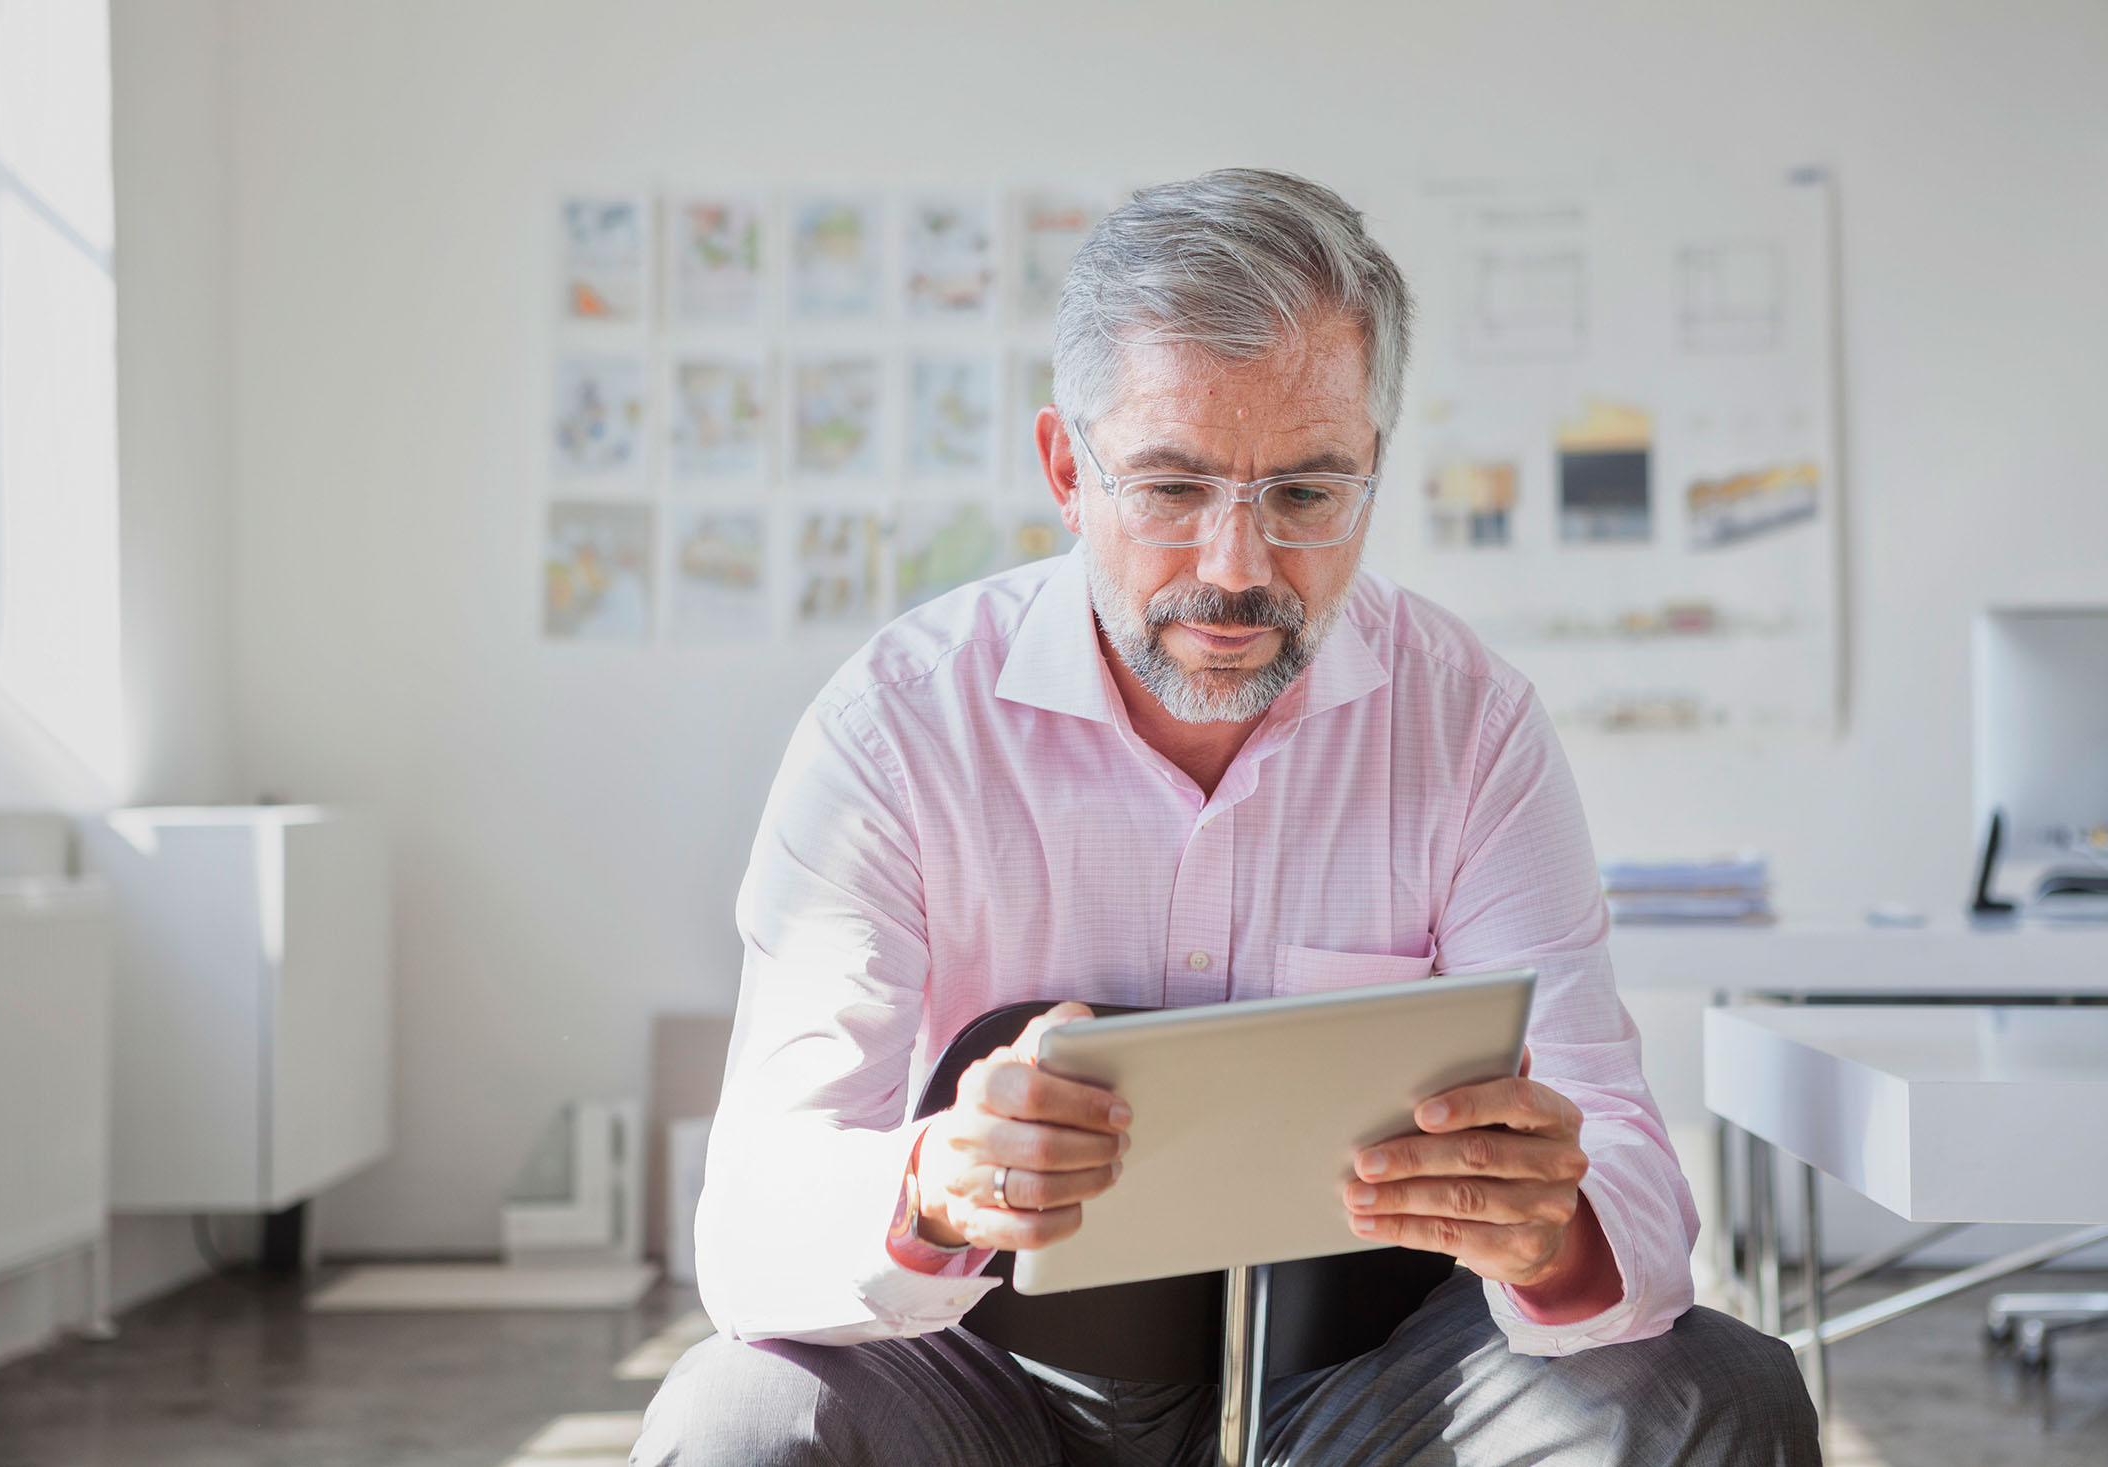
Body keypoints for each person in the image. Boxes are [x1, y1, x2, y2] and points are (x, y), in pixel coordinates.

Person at [633, 169, 1818, 1466]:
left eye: (1308, 495)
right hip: (984, 1376)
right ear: (1064, 472)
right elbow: (750, 1228)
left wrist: (1557, 1226)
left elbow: (1626, 1167)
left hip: (1369, 1381)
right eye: (1171, 488)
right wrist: (932, 1186)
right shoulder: (900, 727)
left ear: (1373, 468)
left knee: (1716, 1388)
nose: (1237, 569)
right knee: (737, 1419)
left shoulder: (1469, 724)